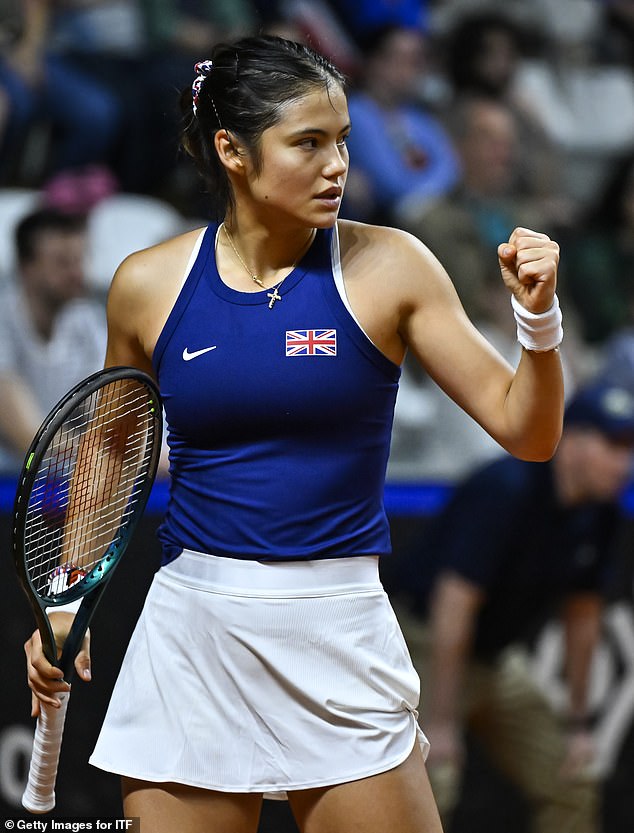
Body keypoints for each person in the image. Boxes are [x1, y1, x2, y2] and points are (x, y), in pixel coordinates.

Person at [23, 35, 564, 833]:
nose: (337, 164)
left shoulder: (393, 266)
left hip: (341, 634)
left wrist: (539, 321)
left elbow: (529, 432)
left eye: (343, 139)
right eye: (308, 143)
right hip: (193, 636)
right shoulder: (147, 283)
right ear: (232, 152)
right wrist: (67, 604)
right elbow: (109, 449)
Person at [390, 380, 634, 833]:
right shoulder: (507, 487)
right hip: (424, 643)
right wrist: (441, 723)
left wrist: (580, 723)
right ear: (573, 441)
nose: (626, 463)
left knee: (573, 774)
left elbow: (583, 615)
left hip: (497, 658)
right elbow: (453, 606)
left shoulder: (601, 512)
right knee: (434, 781)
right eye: (614, 445)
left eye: (630, 448)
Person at [0, 207, 107, 471]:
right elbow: (31, 440)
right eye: (62, 262)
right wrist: (114, 456)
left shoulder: (85, 319)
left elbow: (103, 411)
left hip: (64, 482)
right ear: (27, 268)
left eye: (79, 260)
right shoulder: (3, 321)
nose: (77, 273)